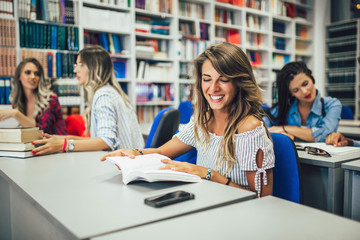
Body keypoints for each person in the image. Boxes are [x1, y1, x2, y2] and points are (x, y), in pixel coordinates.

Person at [101, 42, 275, 197]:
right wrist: (133, 154)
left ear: (239, 82)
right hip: (206, 205)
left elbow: (261, 199)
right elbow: (161, 152)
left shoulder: (249, 128)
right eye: (207, 79)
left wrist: (209, 174)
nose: (213, 88)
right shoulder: (202, 121)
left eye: (224, 80)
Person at [32, 46, 144, 155]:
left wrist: (64, 145)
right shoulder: (110, 92)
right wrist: (63, 139)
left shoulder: (103, 95)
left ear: (93, 68)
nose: (75, 70)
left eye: (80, 65)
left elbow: (107, 141)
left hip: (122, 167)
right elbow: (98, 140)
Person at [263, 61, 342, 142]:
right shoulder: (285, 106)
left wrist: (284, 128)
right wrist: (281, 133)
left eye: (305, 84)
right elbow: (261, 127)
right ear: (291, 93)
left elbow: (325, 135)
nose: (304, 91)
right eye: (296, 90)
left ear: (312, 78)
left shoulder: (332, 104)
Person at [0, 58, 67, 135]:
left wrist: (16, 114)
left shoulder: (51, 99)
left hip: (56, 145)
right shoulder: (16, 101)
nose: (33, 77)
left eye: (37, 74)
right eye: (28, 72)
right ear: (19, 77)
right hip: (30, 144)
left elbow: (43, 131)